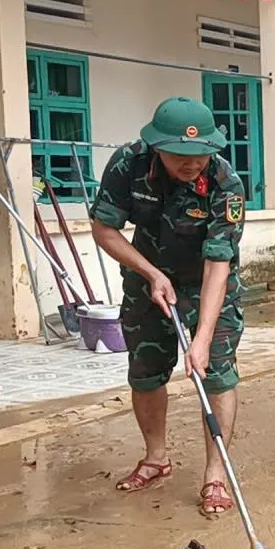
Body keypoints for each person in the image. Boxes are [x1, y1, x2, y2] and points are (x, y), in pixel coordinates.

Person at [90, 97, 246, 517]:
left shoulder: (225, 182)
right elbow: (104, 228)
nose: (193, 162)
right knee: (145, 371)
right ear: (157, 146)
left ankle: (215, 474)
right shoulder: (129, 163)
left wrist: (203, 338)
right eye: (181, 154)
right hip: (148, 276)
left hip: (208, 282)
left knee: (214, 370)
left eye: (202, 153)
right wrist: (150, 273)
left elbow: (219, 263)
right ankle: (156, 457)